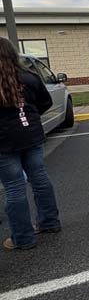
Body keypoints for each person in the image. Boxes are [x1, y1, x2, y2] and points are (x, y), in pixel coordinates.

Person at [0, 37, 61, 251]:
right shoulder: (30, 77)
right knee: (39, 177)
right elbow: (46, 102)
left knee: (15, 187)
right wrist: (29, 116)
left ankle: (23, 237)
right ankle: (49, 223)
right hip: (31, 134)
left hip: (5, 142)